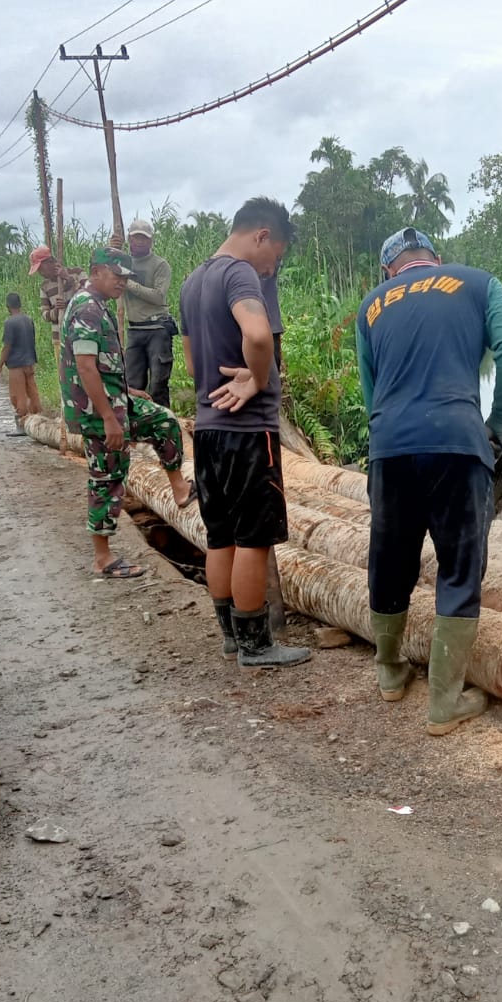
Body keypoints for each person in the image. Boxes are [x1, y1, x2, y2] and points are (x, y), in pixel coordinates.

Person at [355, 227, 502, 735]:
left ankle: (390, 674)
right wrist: (497, 423)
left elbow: (372, 397)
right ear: (436, 259)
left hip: (389, 447)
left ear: (391, 270)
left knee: (389, 561)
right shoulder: (478, 284)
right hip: (457, 444)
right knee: (458, 567)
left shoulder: (372, 304)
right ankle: (443, 703)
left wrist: (391, 435)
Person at [179, 197, 309, 669]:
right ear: (261, 236)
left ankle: (231, 636)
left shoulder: (193, 281)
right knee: (254, 538)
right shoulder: (239, 274)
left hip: (209, 428)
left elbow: (193, 362)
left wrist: (216, 385)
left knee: (221, 537)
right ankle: (258, 643)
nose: (272, 267)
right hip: (247, 431)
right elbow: (257, 335)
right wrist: (256, 378)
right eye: (276, 255)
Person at [60, 246, 194, 579]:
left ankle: (179, 488)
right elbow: (85, 366)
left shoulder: (97, 306)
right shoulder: (87, 310)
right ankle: (103, 558)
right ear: (96, 273)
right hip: (98, 411)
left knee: (164, 421)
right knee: (107, 477)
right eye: (117, 276)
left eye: (125, 278)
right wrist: (108, 418)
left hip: (113, 400)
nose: (122, 283)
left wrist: (125, 389)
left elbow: (100, 366)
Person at [122, 218, 176, 408]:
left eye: (144, 239)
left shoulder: (160, 265)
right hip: (134, 330)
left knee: (158, 385)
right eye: (136, 238)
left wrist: (128, 283)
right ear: (129, 239)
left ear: (151, 241)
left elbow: (158, 296)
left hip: (157, 329)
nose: (139, 242)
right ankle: (138, 425)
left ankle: (163, 426)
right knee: (132, 384)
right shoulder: (123, 263)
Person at [0, 291, 42, 432]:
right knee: (33, 393)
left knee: (17, 396)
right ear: (20, 304)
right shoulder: (28, 319)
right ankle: (38, 420)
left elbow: (7, 347)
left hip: (16, 365)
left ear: (8, 306)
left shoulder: (10, 322)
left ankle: (22, 424)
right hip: (29, 362)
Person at [28, 245, 82, 329]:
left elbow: (90, 297)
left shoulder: (77, 273)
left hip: (79, 332)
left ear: (49, 262)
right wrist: (56, 309)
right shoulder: (44, 287)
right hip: (58, 337)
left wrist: (68, 278)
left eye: (40, 268)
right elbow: (45, 315)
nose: (40, 272)